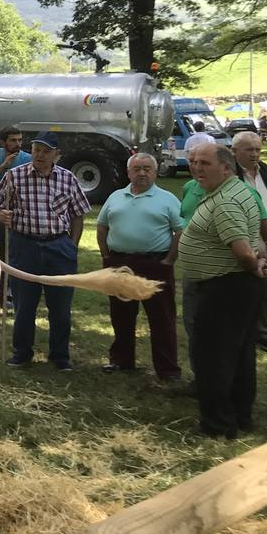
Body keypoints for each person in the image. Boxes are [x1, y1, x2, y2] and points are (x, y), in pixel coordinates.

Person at [179, 143, 267, 438]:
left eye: (205, 163)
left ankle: (217, 425)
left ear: (226, 167)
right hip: (236, 287)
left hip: (224, 288)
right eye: (193, 161)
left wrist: (254, 264)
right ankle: (240, 415)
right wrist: (259, 259)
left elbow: (243, 252)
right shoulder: (237, 191)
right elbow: (254, 235)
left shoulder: (225, 202)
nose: (196, 167)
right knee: (239, 354)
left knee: (212, 357)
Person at [0, 132, 91, 371]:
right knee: (24, 305)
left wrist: (72, 246)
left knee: (61, 308)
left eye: (46, 151)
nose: (40, 155)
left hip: (59, 247)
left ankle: (60, 355)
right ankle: (22, 353)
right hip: (24, 246)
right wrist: (0, 214)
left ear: (57, 154)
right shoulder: (14, 176)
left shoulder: (67, 179)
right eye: (36, 150)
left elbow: (78, 214)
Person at [96, 153, 183, 381]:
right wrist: (106, 255)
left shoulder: (167, 199)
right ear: (128, 172)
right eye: (137, 169)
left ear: (155, 172)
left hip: (155, 264)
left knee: (161, 318)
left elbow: (180, 231)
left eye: (147, 169)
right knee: (121, 315)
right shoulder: (115, 196)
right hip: (120, 264)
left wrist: (169, 260)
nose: (142, 173)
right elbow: (102, 226)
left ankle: (167, 369)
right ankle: (121, 360)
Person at [231, 131, 267, 353]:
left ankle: (265, 330)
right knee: (248, 284)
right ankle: (251, 329)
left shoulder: (265, 171)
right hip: (244, 238)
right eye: (249, 149)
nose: (255, 154)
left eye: (258, 149)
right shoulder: (229, 174)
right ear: (234, 151)